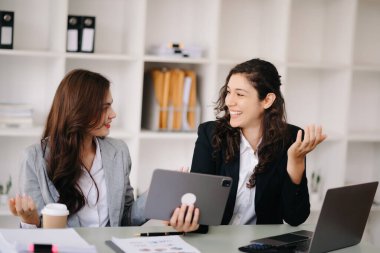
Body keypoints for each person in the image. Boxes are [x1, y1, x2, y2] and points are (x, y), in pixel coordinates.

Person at [169, 58, 326, 232]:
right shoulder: (210, 134)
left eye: (240, 94)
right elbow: (200, 209)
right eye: (229, 92)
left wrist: (295, 162)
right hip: (216, 241)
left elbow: (295, 217)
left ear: (267, 100)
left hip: (262, 245)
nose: (229, 101)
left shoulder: (291, 139)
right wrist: (186, 220)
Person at [8, 69, 148, 227]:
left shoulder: (119, 151)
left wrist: (157, 196)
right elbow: (36, 235)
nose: (113, 114)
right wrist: (30, 220)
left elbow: (125, 218)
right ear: (80, 110)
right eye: (105, 107)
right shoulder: (34, 159)